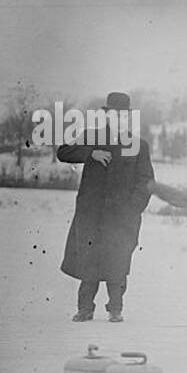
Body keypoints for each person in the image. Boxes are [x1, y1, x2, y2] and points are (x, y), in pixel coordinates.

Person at [57, 91, 154, 323]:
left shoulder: (138, 145)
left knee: (118, 262)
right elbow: (63, 152)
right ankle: (85, 309)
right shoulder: (91, 136)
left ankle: (115, 309)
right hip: (91, 214)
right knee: (89, 259)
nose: (118, 118)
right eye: (114, 114)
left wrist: (133, 208)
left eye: (123, 115)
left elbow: (146, 181)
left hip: (122, 217)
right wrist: (92, 153)